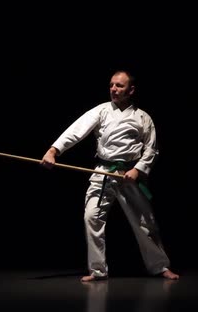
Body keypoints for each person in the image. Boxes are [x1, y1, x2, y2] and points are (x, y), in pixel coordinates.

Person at [40, 69, 180, 282]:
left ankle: (160, 266)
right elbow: (77, 129)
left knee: (145, 223)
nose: (113, 89)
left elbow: (152, 149)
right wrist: (54, 150)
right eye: (112, 85)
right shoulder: (102, 110)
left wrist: (138, 169)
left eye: (119, 86)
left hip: (130, 174)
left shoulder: (143, 117)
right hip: (103, 172)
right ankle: (98, 270)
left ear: (131, 90)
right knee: (92, 217)